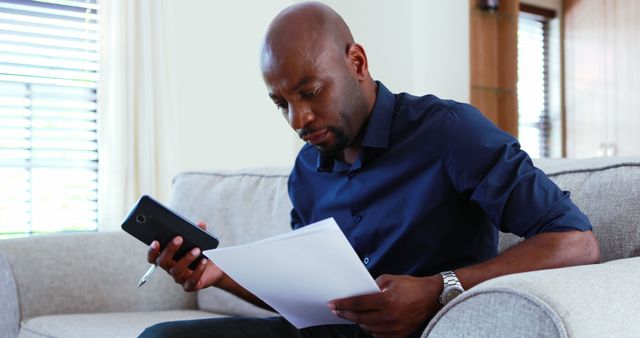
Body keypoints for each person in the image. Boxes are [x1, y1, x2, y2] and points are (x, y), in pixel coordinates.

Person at [139, 2, 600, 338]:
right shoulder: (306, 170)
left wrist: (440, 289)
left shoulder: (450, 132)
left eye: (311, 92)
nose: (298, 119)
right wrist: (219, 274)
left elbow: (576, 242)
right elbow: (313, 301)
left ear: (356, 62)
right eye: (281, 104)